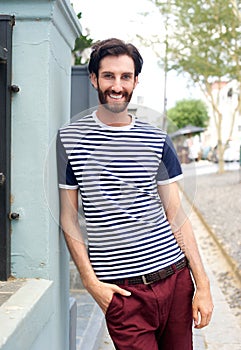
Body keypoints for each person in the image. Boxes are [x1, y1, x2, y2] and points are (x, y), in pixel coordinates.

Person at [57, 38, 213, 350]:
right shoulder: (71, 141)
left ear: (135, 81)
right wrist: (90, 283)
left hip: (175, 280)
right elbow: (68, 218)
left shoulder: (157, 140)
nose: (117, 85)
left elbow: (176, 215)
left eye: (125, 76)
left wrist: (203, 285)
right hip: (124, 296)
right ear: (93, 78)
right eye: (109, 76)